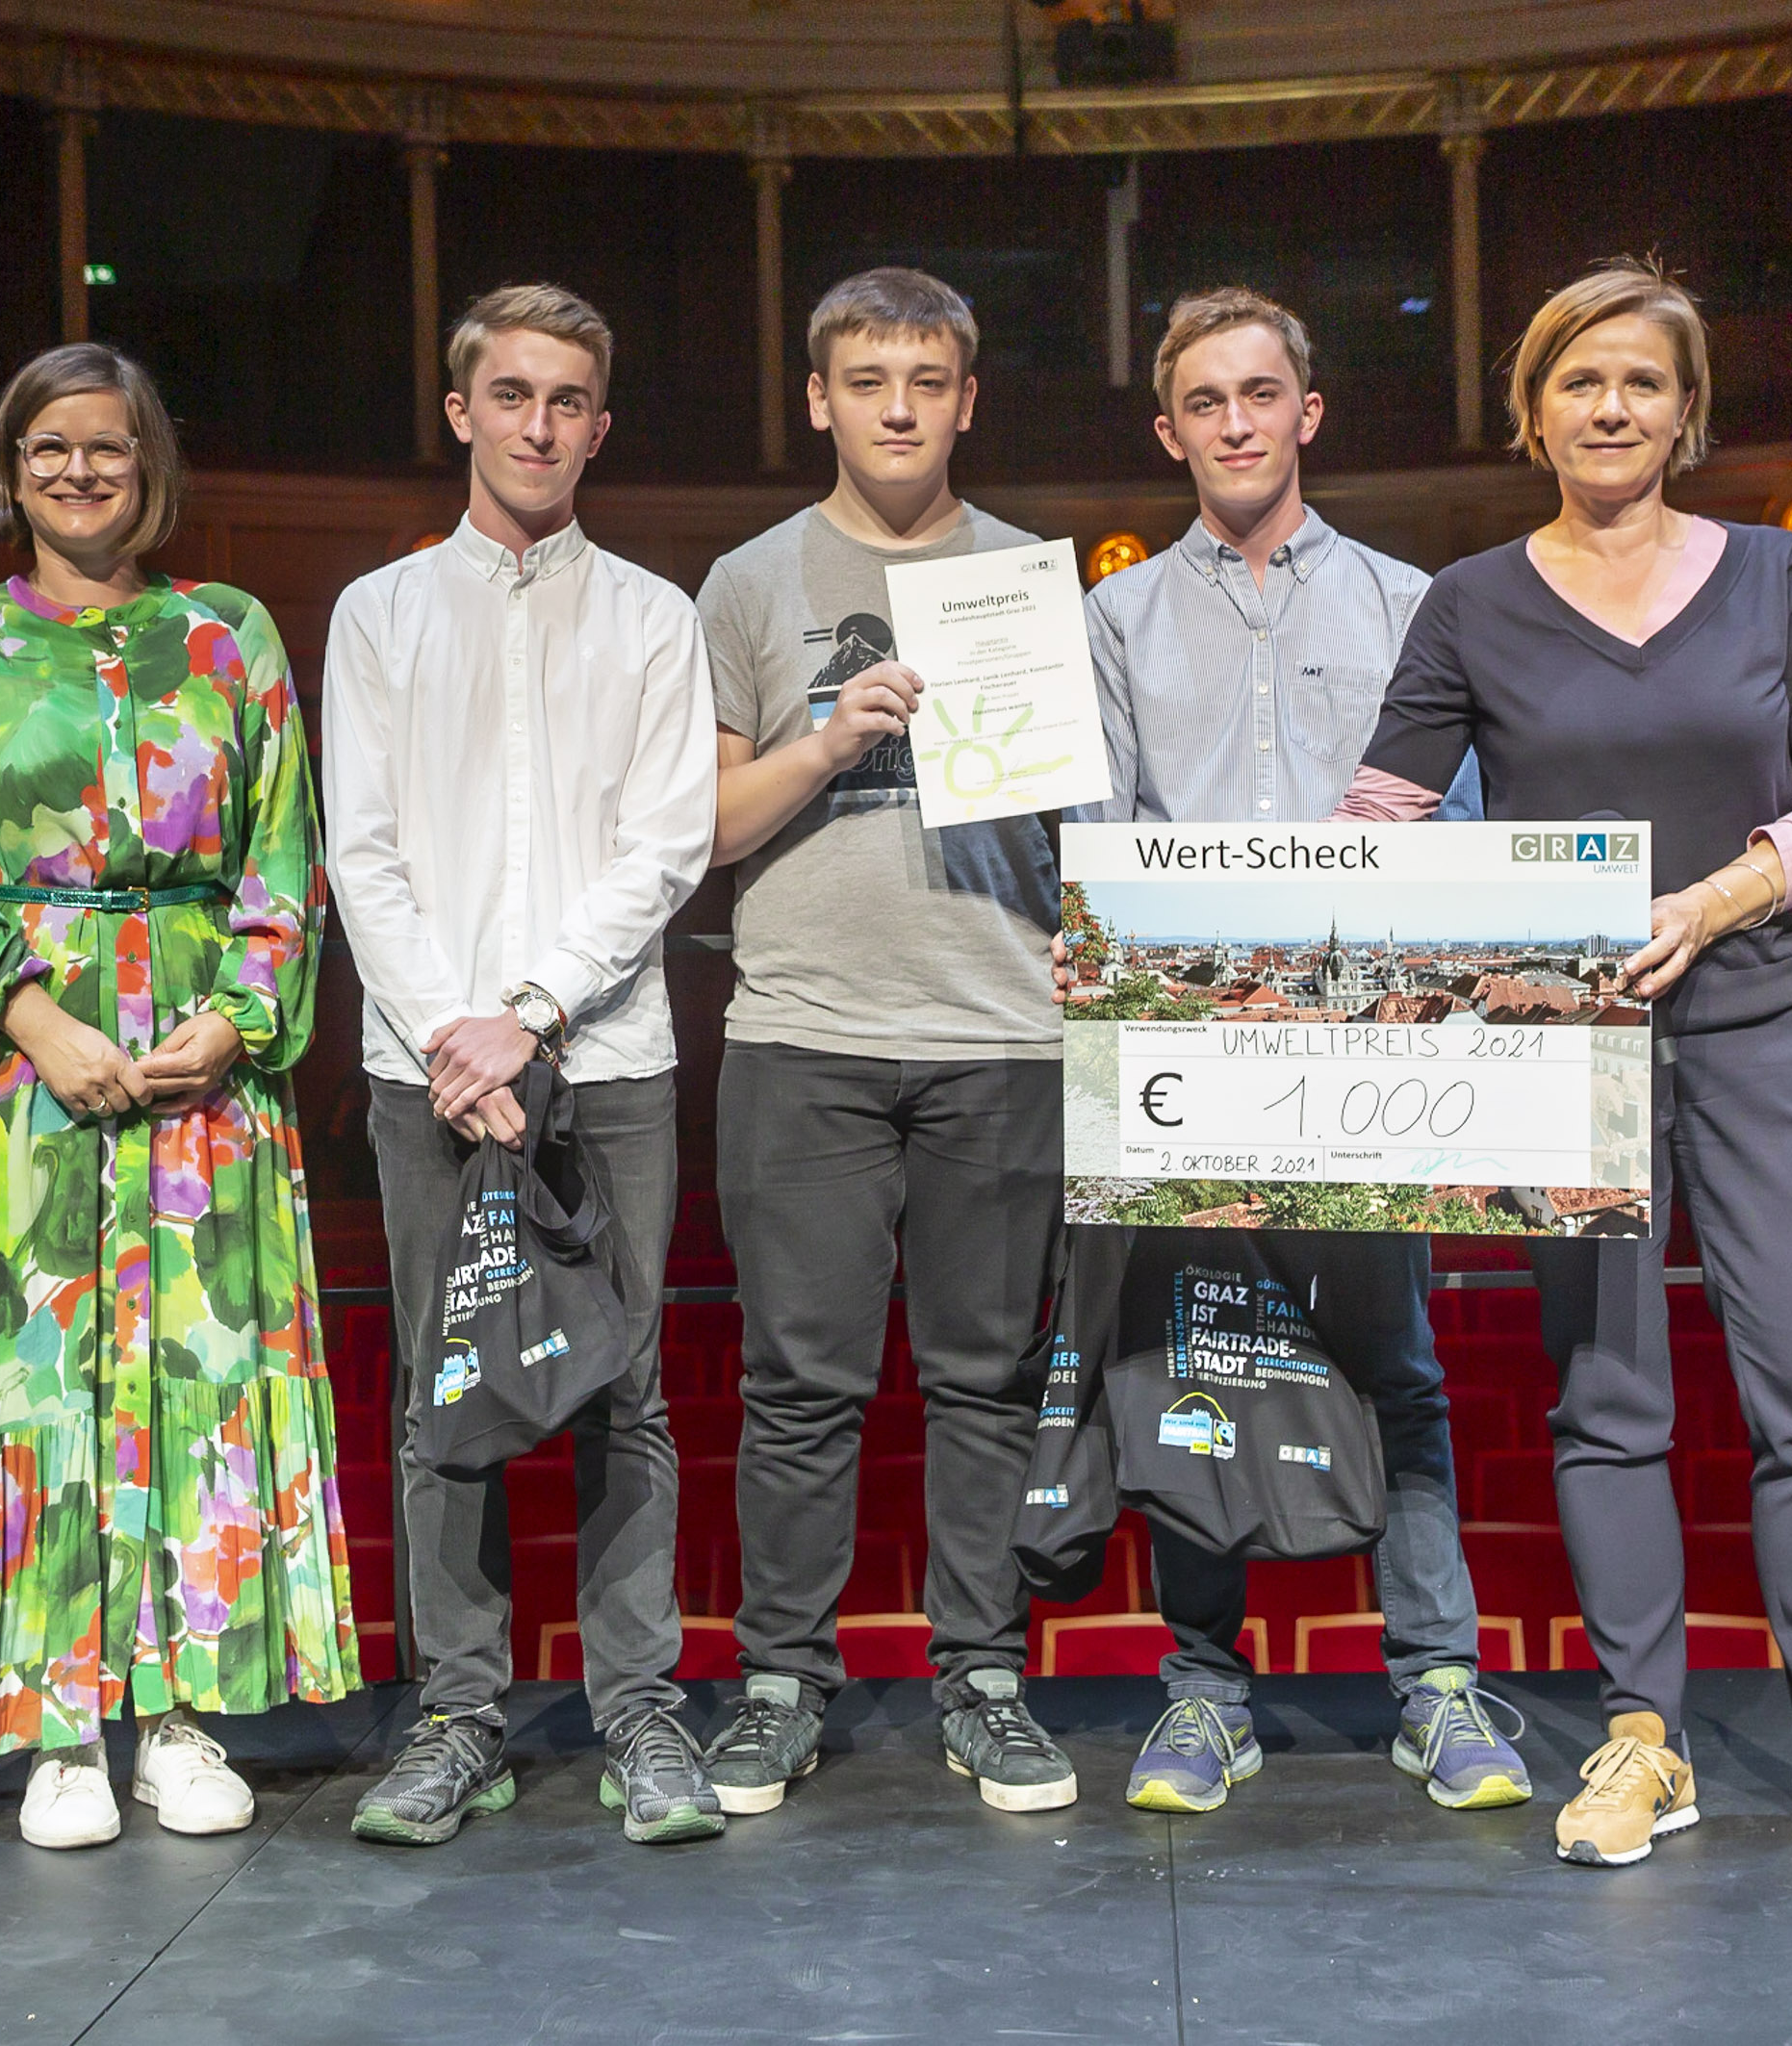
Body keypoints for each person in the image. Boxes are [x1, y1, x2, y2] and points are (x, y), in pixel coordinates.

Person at [1336, 258, 1792, 1866]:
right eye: (1579, 380)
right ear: (1533, 410)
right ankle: (1642, 1738)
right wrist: (1498, 916)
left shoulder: (1778, 576)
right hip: (1566, 1050)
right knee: (1606, 1395)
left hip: (1761, 1020)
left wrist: (1713, 899)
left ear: (1683, 408)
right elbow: (1377, 815)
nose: (1611, 406)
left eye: (1641, 380)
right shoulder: (1471, 599)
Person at [0, 342, 354, 1849]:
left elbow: (288, 856)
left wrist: (234, 1020)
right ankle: (59, 1729)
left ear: (153, 465)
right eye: (49, 448)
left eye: (111, 447)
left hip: (205, 1077)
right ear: (7, 469)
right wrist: (33, 1019)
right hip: (14, 1089)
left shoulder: (230, 634)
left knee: (194, 1379)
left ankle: (184, 1715)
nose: (82, 472)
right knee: (26, 1384)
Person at [1072, 287, 1524, 1817]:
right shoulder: (1114, 618)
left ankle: (1437, 1686)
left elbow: (1458, 829)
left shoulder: (1414, 602)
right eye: (1206, 403)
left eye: (1261, 394)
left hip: (1366, 1054)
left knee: (1394, 1362)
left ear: (1306, 412)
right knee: (1195, 1369)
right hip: (1196, 1062)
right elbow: (1104, 839)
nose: (1237, 423)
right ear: (1170, 429)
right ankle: (1204, 1698)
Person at [324, 284, 722, 1847]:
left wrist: (533, 1012)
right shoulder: (378, 611)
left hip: (605, 1053)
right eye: (510, 395)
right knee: (446, 1390)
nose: (538, 425)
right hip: (426, 1064)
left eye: (566, 401)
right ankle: (458, 1718)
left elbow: (666, 843)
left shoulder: (652, 614)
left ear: (597, 427)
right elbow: (359, 848)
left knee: (624, 1385)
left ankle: (638, 1711)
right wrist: (453, 1036)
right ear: (460, 411)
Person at [693, 268, 1078, 1816]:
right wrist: (837, 734)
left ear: (966, 400)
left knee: (987, 1381)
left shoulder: (1030, 580)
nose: (899, 405)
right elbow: (709, 830)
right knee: (800, 1381)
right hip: (803, 1033)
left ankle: (983, 1678)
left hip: (1000, 1029)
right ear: (819, 399)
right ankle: (780, 1683)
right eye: (868, 379)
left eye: (927, 378)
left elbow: (1083, 822)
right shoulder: (744, 583)